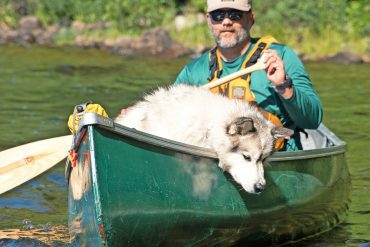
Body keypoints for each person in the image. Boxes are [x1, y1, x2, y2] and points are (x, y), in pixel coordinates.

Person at [174, 0, 323, 151]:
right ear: (209, 21)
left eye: (235, 15)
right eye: (218, 15)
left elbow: (312, 121)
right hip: (209, 162)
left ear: (250, 19)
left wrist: (284, 85)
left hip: (276, 161)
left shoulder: (280, 57)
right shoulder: (193, 72)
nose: (226, 22)